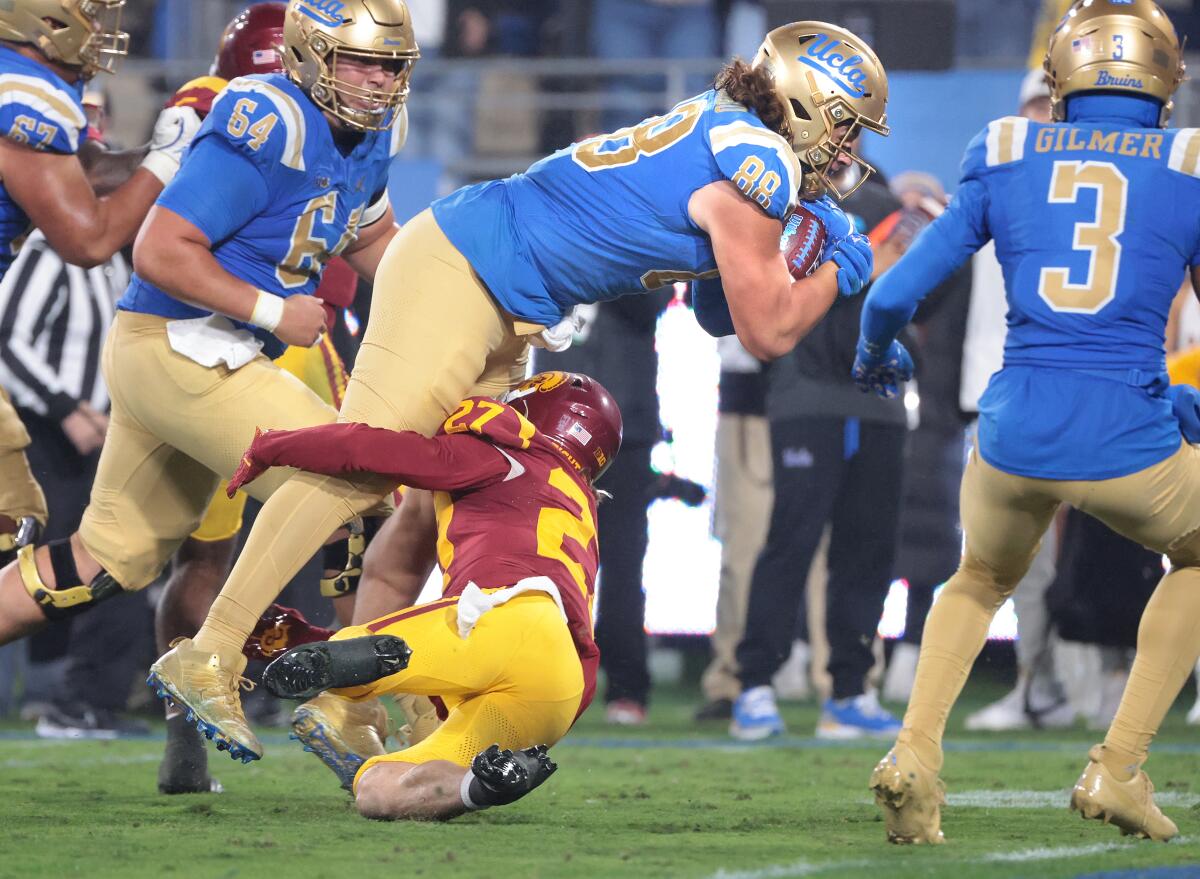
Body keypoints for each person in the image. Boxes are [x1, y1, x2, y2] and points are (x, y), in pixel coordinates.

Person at [151, 19, 891, 766]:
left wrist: (799, 240)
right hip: (465, 271)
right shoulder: (758, 160)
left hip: (501, 296)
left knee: (428, 516)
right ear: (809, 107)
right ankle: (210, 652)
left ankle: (348, 701)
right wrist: (838, 268)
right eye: (848, 129)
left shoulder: (733, 134)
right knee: (357, 470)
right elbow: (765, 332)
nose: (851, 151)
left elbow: (713, 313)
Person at [0, 0, 418, 754]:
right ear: (307, 57)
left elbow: (377, 238)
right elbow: (161, 248)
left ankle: (317, 693)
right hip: (185, 346)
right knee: (359, 479)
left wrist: (472, 296)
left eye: (389, 64)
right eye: (358, 61)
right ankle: (234, 664)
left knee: (105, 559)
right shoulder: (268, 118)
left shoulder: (372, 132)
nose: (376, 80)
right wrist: (271, 307)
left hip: (180, 349)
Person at [857, 0, 1198, 844]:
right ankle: (1117, 766)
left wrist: (874, 354)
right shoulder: (1189, 163)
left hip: (1012, 435)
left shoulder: (1006, 146)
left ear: (1060, 75)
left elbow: (895, 293)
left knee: (977, 578)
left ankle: (914, 754)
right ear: (1165, 82)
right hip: (1131, 442)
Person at [201, 371, 621, 818]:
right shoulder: (581, 505)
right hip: (559, 686)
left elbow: (366, 448)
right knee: (377, 791)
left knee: (354, 656)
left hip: (507, 620)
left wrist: (272, 445)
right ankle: (478, 788)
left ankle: (321, 656)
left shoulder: (505, 454)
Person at [0, 0, 201, 560]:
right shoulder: (24, 99)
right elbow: (87, 240)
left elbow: (80, 172)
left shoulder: (20, 82)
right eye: (86, 10)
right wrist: (168, 157)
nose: (101, 22)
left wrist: (164, 156)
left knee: (16, 518)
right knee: (14, 521)